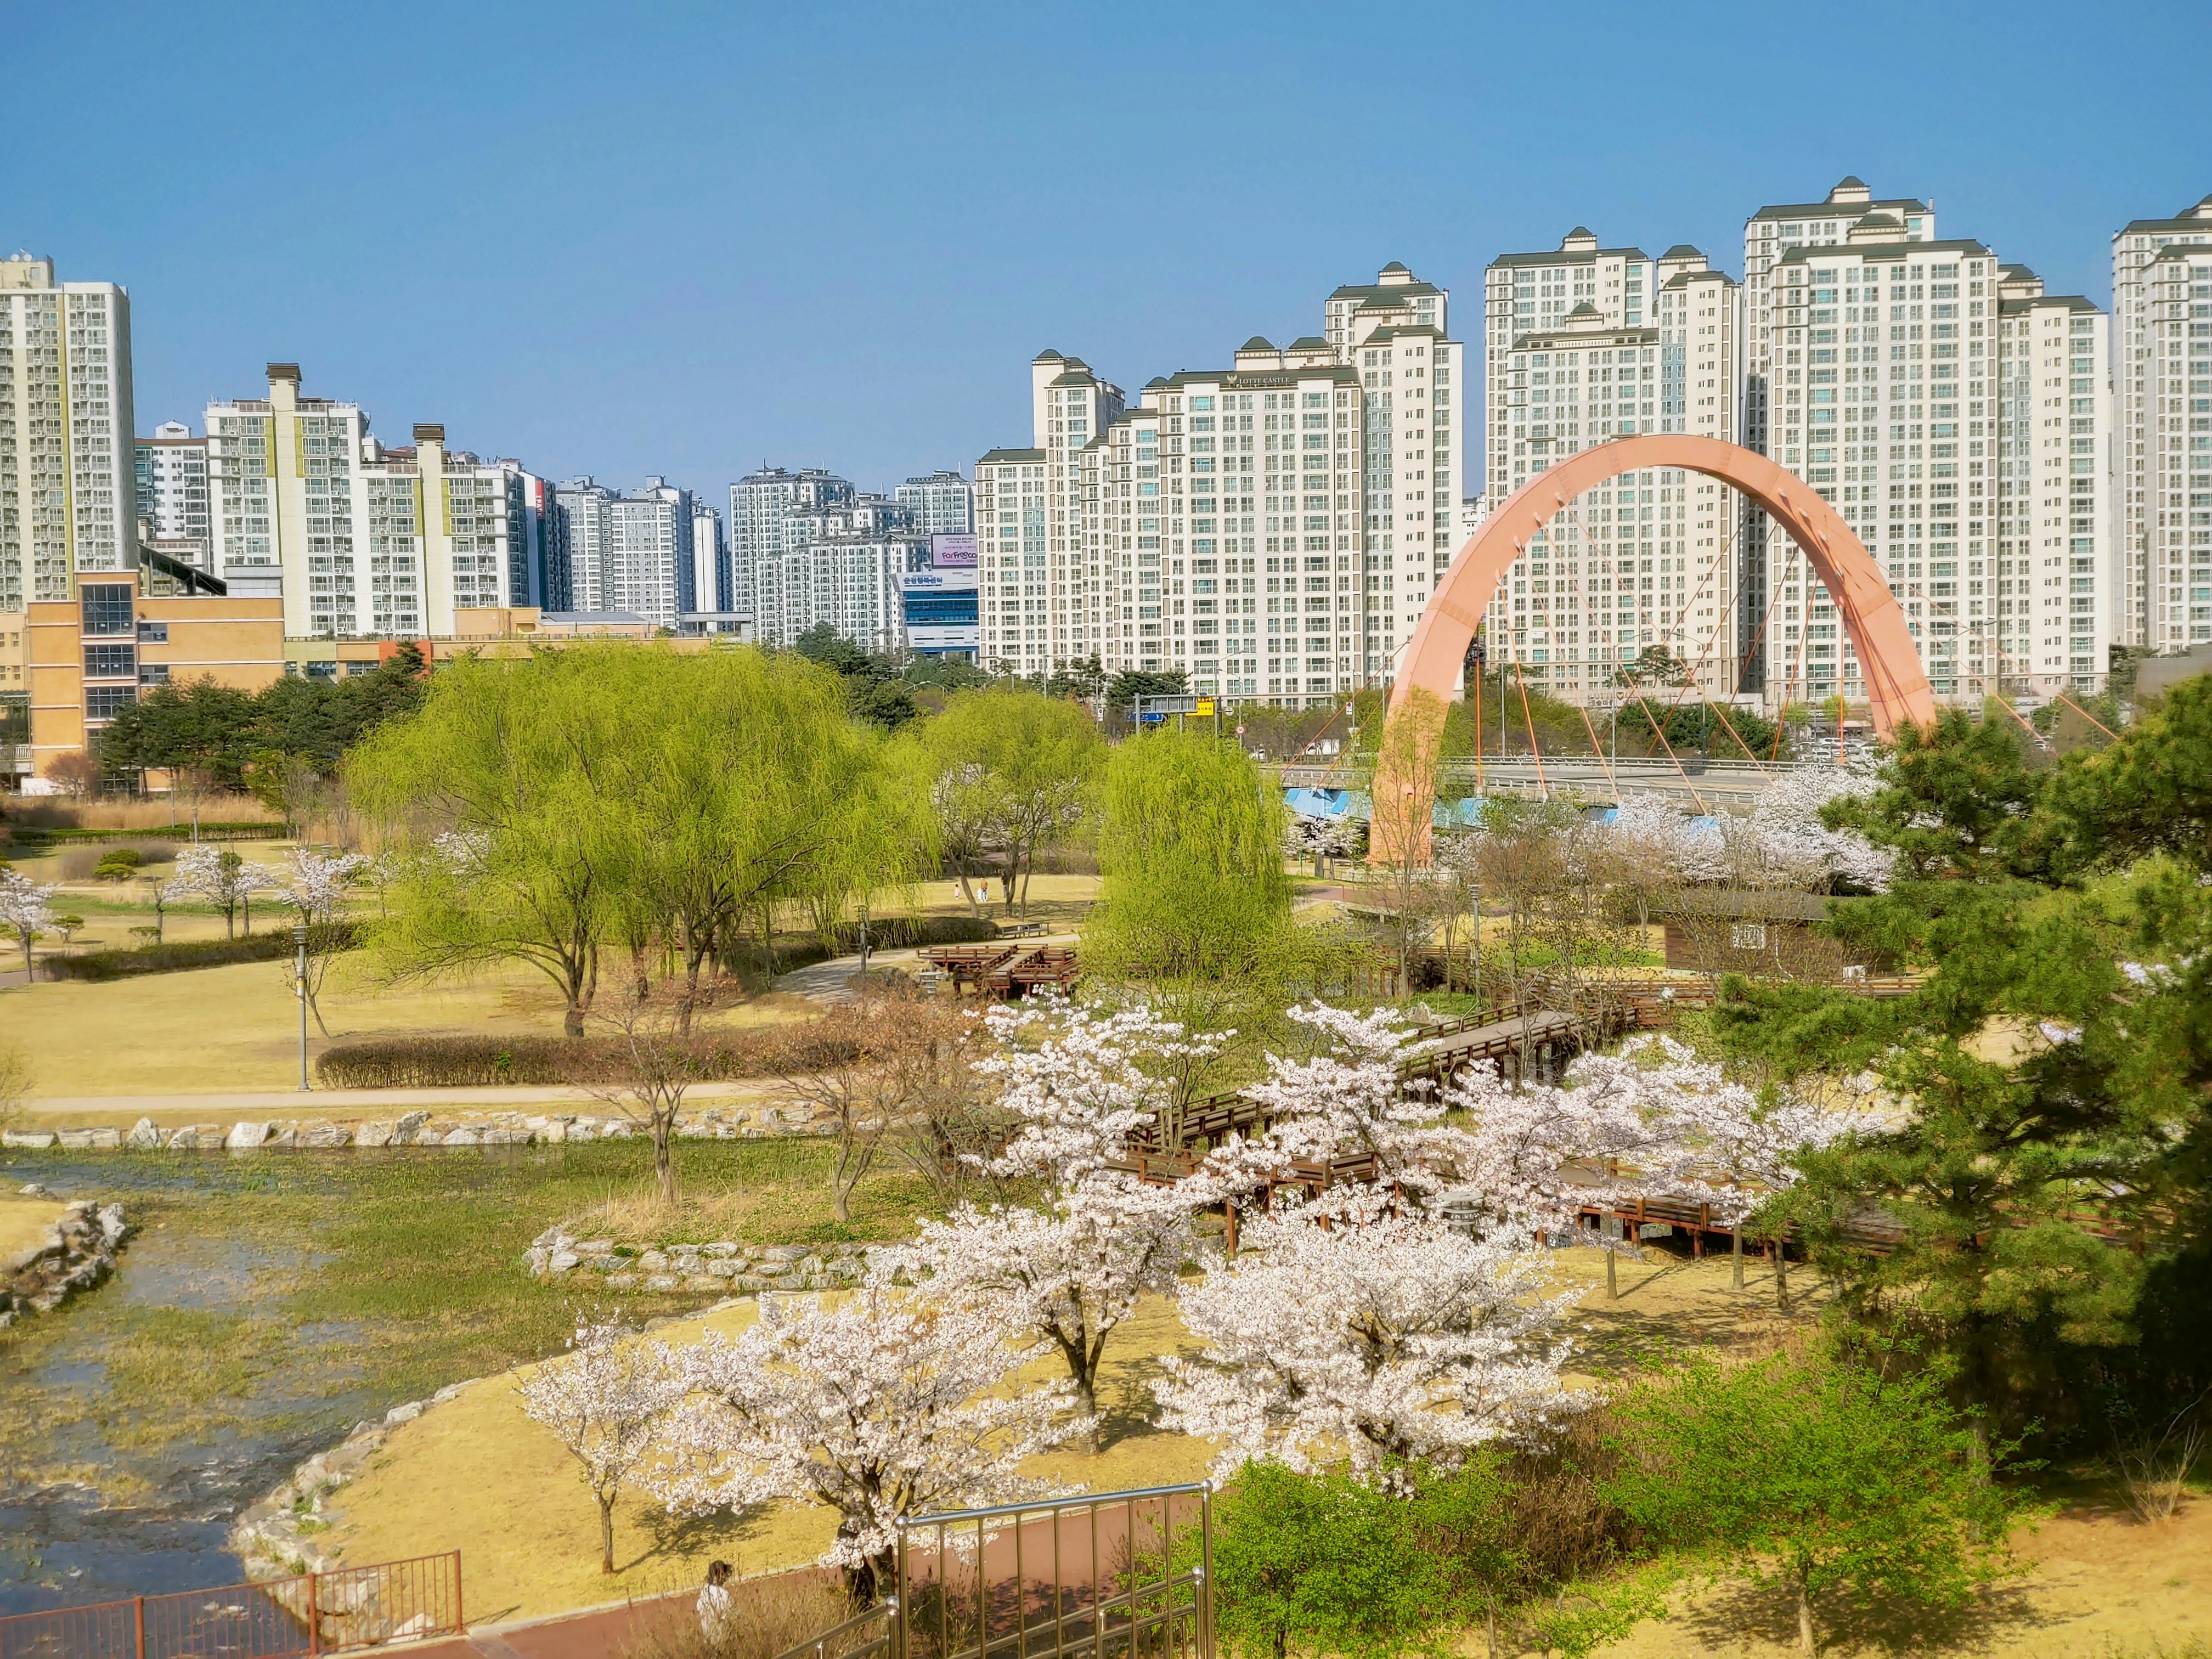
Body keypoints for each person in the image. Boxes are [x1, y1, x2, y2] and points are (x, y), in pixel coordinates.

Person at [698, 1560, 733, 1647]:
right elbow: (732, 1614)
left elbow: (700, 1609)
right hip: (722, 1637)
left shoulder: (704, 1591)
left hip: (708, 1636)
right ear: (722, 1575)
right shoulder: (723, 1594)